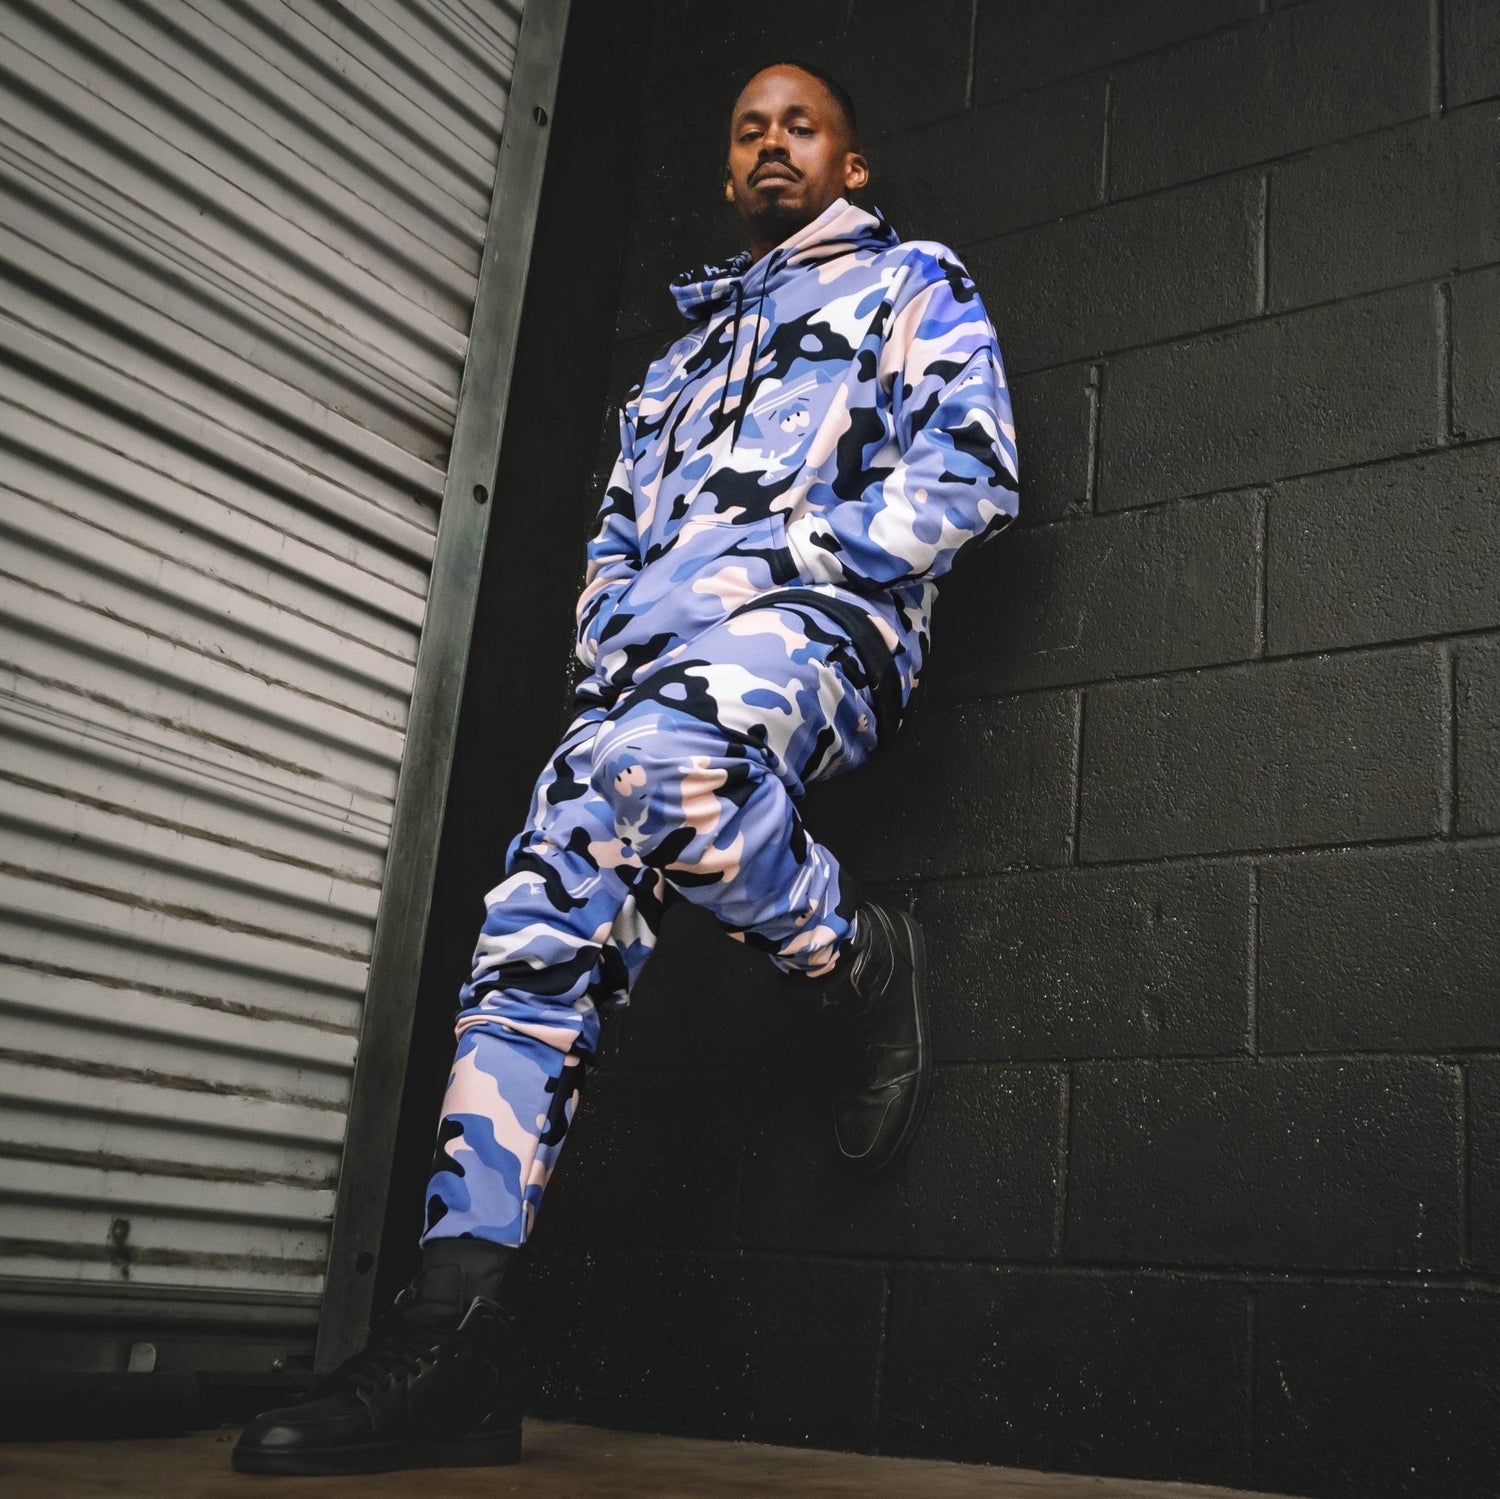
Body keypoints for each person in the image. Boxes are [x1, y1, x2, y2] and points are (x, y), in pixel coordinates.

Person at [233, 58, 1018, 1476]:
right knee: (528, 927)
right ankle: (456, 1330)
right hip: (646, 684)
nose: (773, 143)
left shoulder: (911, 282)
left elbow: (970, 479)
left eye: (802, 126)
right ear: (725, 174)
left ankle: (858, 961)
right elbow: (610, 549)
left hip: (821, 634)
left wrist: (761, 566)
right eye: (749, 131)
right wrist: (614, 639)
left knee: (655, 764)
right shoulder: (670, 370)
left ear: (849, 164)